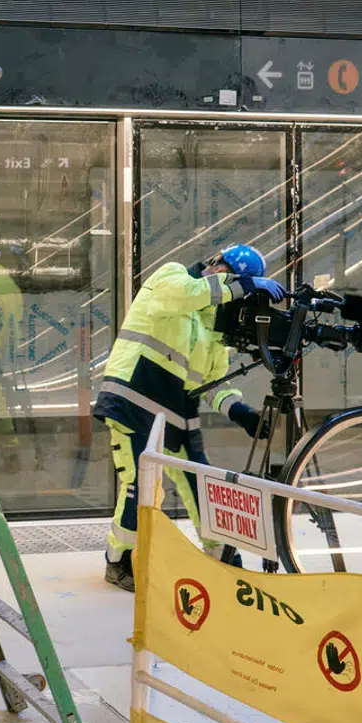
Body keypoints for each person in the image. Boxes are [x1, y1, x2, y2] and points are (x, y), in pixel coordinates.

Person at [93, 244, 287, 591]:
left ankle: (223, 560)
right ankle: (120, 560)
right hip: (134, 401)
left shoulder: (214, 328)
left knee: (202, 489)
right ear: (214, 264)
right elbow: (186, 295)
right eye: (230, 276)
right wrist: (245, 285)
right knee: (142, 486)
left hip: (176, 415)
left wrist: (240, 412)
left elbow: (211, 385)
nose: (230, 287)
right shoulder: (172, 275)